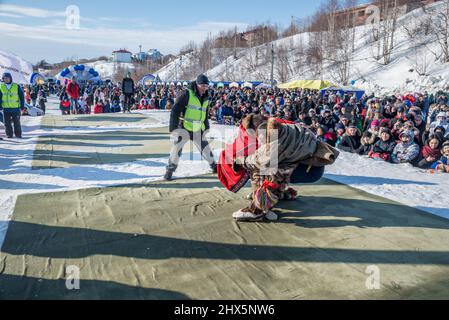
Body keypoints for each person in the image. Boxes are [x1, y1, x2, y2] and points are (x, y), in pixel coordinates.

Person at [164, 74, 217, 181]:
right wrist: (173, 128)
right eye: (202, 86)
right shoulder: (186, 94)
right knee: (176, 149)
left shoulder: (206, 97)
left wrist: (206, 127)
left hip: (197, 128)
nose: (204, 88)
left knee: (205, 148)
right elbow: (175, 111)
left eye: (206, 86)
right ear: (197, 85)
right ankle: (169, 171)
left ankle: (214, 167)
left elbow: (204, 113)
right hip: (184, 127)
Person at [0, 73, 24, 139]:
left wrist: (22, 106)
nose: (6, 79)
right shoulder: (1, 86)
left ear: (10, 78)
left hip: (15, 108)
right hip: (5, 108)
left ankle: (18, 134)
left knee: (17, 122)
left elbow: (21, 96)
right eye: (4, 78)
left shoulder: (16, 86)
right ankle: (9, 135)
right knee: (7, 123)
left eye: (7, 78)